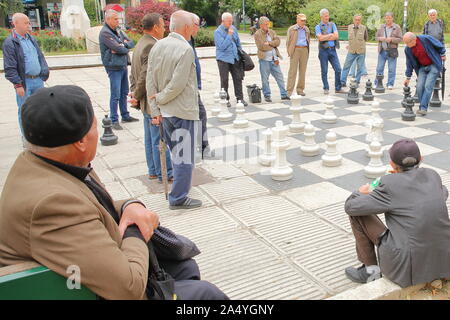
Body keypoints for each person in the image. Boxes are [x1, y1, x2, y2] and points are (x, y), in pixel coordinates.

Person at [0, 85, 228, 300]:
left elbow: (89, 207)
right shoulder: (51, 204)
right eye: (95, 127)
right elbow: (127, 288)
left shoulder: (48, 161)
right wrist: (135, 229)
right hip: (82, 290)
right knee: (206, 294)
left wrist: (131, 206)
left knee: (183, 265)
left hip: (80, 269)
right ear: (81, 141)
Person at [344, 138, 450, 287]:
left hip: (407, 269)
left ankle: (370, 270)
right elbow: (444, 192)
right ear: (421, 159)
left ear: (392, 164)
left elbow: (351, 207)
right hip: (443, 262)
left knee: (358, 214)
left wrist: (359, 193)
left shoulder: (389, 183)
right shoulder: (433, 175)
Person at [147, 10, 202, 210]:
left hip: (166, 111)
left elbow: (150, 80)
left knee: (176, 153)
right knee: (184, 156)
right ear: (187, 28)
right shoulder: (185, 49)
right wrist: (159, 99)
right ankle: (178, 198)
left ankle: (179, 190)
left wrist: (156, 108)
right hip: (181, 110)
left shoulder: (158, 45)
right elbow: (178, 84)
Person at [129, 13, 173, 182]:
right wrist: (137, 95)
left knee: (149, 138)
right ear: (155, 27)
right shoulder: (151, 46)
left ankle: (153, 170)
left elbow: (134, 74)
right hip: (150, 101)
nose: (164, 29)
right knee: (159, 140)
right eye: (162, 25)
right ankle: (165, 173)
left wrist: (134, 93)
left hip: (143, 100)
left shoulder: (141, 42)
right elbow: (145, 75)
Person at [2, 13, 49, 132]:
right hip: (24, 82)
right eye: (26, 23)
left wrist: (44, 71)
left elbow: (39, 56)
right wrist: (18, 85)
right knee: (25, 110)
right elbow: (10, 67)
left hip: (38, 80)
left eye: (29, 22)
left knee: (40, 109)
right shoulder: (10, 42)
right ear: (15, 24)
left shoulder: (31, 38)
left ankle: (39, 134)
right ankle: (27, 137)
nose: (29, 25)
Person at [99, 9, 138, 130]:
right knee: (115, 94)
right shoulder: (105, 33)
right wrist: (121, 46)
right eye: (115, 19)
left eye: (118, 18)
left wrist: (122, 45)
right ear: (108, 19)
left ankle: (125, 115)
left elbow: (131, 43)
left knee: (124, 92)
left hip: (122, 64)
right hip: (113, 66)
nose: (118, 21)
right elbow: (120, 49)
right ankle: (114, 119)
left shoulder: (118, 30)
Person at [403, 32, 446, 116]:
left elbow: (439, 44)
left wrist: (443, 53)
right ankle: (423, 105)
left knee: (428, 86)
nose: (407, 45)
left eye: (408, 43)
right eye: (405, 43)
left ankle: (423, 108)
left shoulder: (425, 39)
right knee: (419, 87)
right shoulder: (408, 49)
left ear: (414, 39)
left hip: (434, 65)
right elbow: (409, 63)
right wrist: (408, 77)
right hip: (422, 67)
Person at [190, 13, 212, 158]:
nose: (199, 28)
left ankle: (202, 147)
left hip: (193, 86)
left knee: (200, 115)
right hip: (188, 88)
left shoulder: (190, 39)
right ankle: (200, 148)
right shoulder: (184, 42)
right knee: (199, 115)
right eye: (197, 25)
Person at [214, 12, 247, 107]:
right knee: (224, 80)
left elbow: (238, 42)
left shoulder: (233, 29)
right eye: (229, 21)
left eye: (231, 21)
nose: (231, 23)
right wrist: (229, 35)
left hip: (235, 57)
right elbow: (221, 46)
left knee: (238, 78)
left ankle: (240, 99)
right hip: (223, 59)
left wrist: (240, 53)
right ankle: (225, 100)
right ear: (223, 21)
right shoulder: (218, 32)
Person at [254, 16, 289, 103]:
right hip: (264, 60)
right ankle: (267, 95)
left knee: (280, 77)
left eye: (268, 24)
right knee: (265, 79)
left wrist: (269, 43)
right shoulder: (257, 34)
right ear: (261, 25)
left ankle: (284, 94)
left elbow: (278, 42)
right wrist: (273, 45)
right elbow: (261, 46)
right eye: (266, 24)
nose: (267, 26)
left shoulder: (272, 32)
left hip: (274, 59)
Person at [315, 9, 346, 95]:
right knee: (324, 70)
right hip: (323, 51)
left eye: (328, 15)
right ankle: (326, 87)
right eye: (325, 16)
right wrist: (330, 35)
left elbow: (336, 36)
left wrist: (326, 36)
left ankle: (338, 88)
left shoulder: (333, 24)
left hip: (332, 50)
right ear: (321, 17)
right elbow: (320, 38)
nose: (327, 17)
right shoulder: (318, 27)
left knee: (338, 69)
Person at [375, 12, 403, 90]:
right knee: (379, 68)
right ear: (385, 18)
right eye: (386, 18)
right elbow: (376, 37)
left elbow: (400, 39)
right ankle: (377, 83)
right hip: (382, 51)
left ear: (392, 18)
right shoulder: (381, 27)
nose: (388, 19)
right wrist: (381, 38)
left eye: (389, 18)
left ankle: (390, 84)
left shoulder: (396, 27)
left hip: (392, 51)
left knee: (391, 69)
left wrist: (391, 39)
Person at [286, 13, 310, 97]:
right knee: (292, 71)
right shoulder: (292, 29)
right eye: (302, 20)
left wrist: (307, 49)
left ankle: (300, 89)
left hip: (304, 49)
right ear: (297, 20)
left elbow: (308, 39)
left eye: (304, 20)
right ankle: (289, 90)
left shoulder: (306, 29)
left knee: (303, 71)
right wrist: (289, 52)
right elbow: (288, 41)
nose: (303, 22)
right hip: (295, 49)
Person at [340, 14, 368, 87]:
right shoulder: (349, 27)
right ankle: (342, 81)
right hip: (351, 51)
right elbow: (350, 38)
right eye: (356, 19)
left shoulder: (364, 28)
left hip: (361, 51)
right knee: (346, 66)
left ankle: (357, 81)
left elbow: (366, 38)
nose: (357, 21)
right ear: (353, 20)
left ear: (361, 21)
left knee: (360, 67)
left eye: (359, 20)